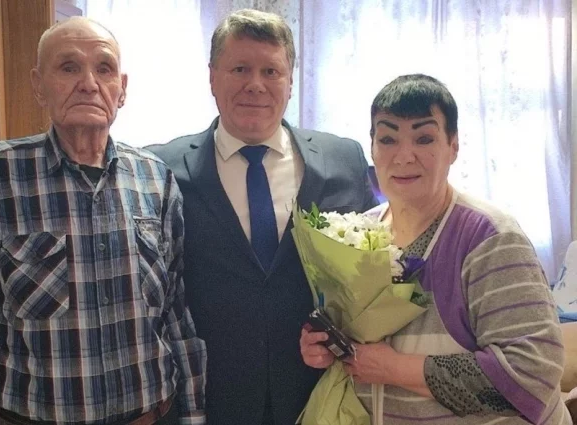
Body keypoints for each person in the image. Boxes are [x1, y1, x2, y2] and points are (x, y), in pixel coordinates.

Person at [0, 17, 206, 425]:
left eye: (104, 68)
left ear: (122, 90)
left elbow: (175, 310)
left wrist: (193, 413)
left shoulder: (156, 179)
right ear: (38, 85)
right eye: (68, 67)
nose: (88, 83)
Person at [146, 8, 378, 425]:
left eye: (271, 71)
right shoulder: (161, 168)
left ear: (290, 81)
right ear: (212, 77)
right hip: (210, 397)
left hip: (319, 393)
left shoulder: (344, 158)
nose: (255, 84)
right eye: (240, 69)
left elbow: (369, 277)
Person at [300, 74, 571, 424]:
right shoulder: (357, 235)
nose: (404, 156)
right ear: (372, 148)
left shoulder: (489, 238)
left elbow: (532, 374)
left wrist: (395, 368)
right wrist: (324, 346)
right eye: (388, 139)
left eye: (424, 138)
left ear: (453, 146)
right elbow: (356, 343)